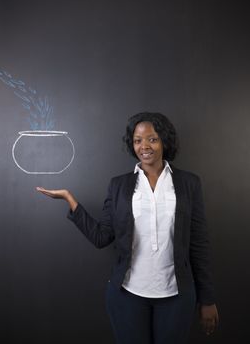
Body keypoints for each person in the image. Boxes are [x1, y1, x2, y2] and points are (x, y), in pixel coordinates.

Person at [36, 112, 219, 344]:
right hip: (127, 295)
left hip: (177, 295)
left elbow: (199, 243)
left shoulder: (188, 183)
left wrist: (208, 299)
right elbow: (102, 237)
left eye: (152, 139)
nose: (144, 146)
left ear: (165, 141)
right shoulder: (119, 186)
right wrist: (70, 201)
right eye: (137, 140)